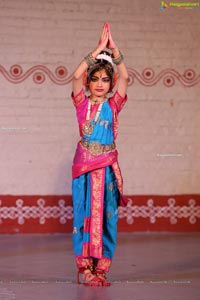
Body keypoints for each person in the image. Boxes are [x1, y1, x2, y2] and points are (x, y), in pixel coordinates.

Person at [71, 22, 129, 286]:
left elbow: (125, 78)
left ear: (110, 83)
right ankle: (84, 268)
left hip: (106, 167)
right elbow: (74, 76)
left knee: (107, 216)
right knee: (84, 213)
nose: (99, 84)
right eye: (95, 79)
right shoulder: (81, 104)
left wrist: (114, 52)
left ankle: (101, 269)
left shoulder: (114, 105)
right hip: (84, 167)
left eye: (105, 80)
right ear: (88, 81)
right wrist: (97, 50)